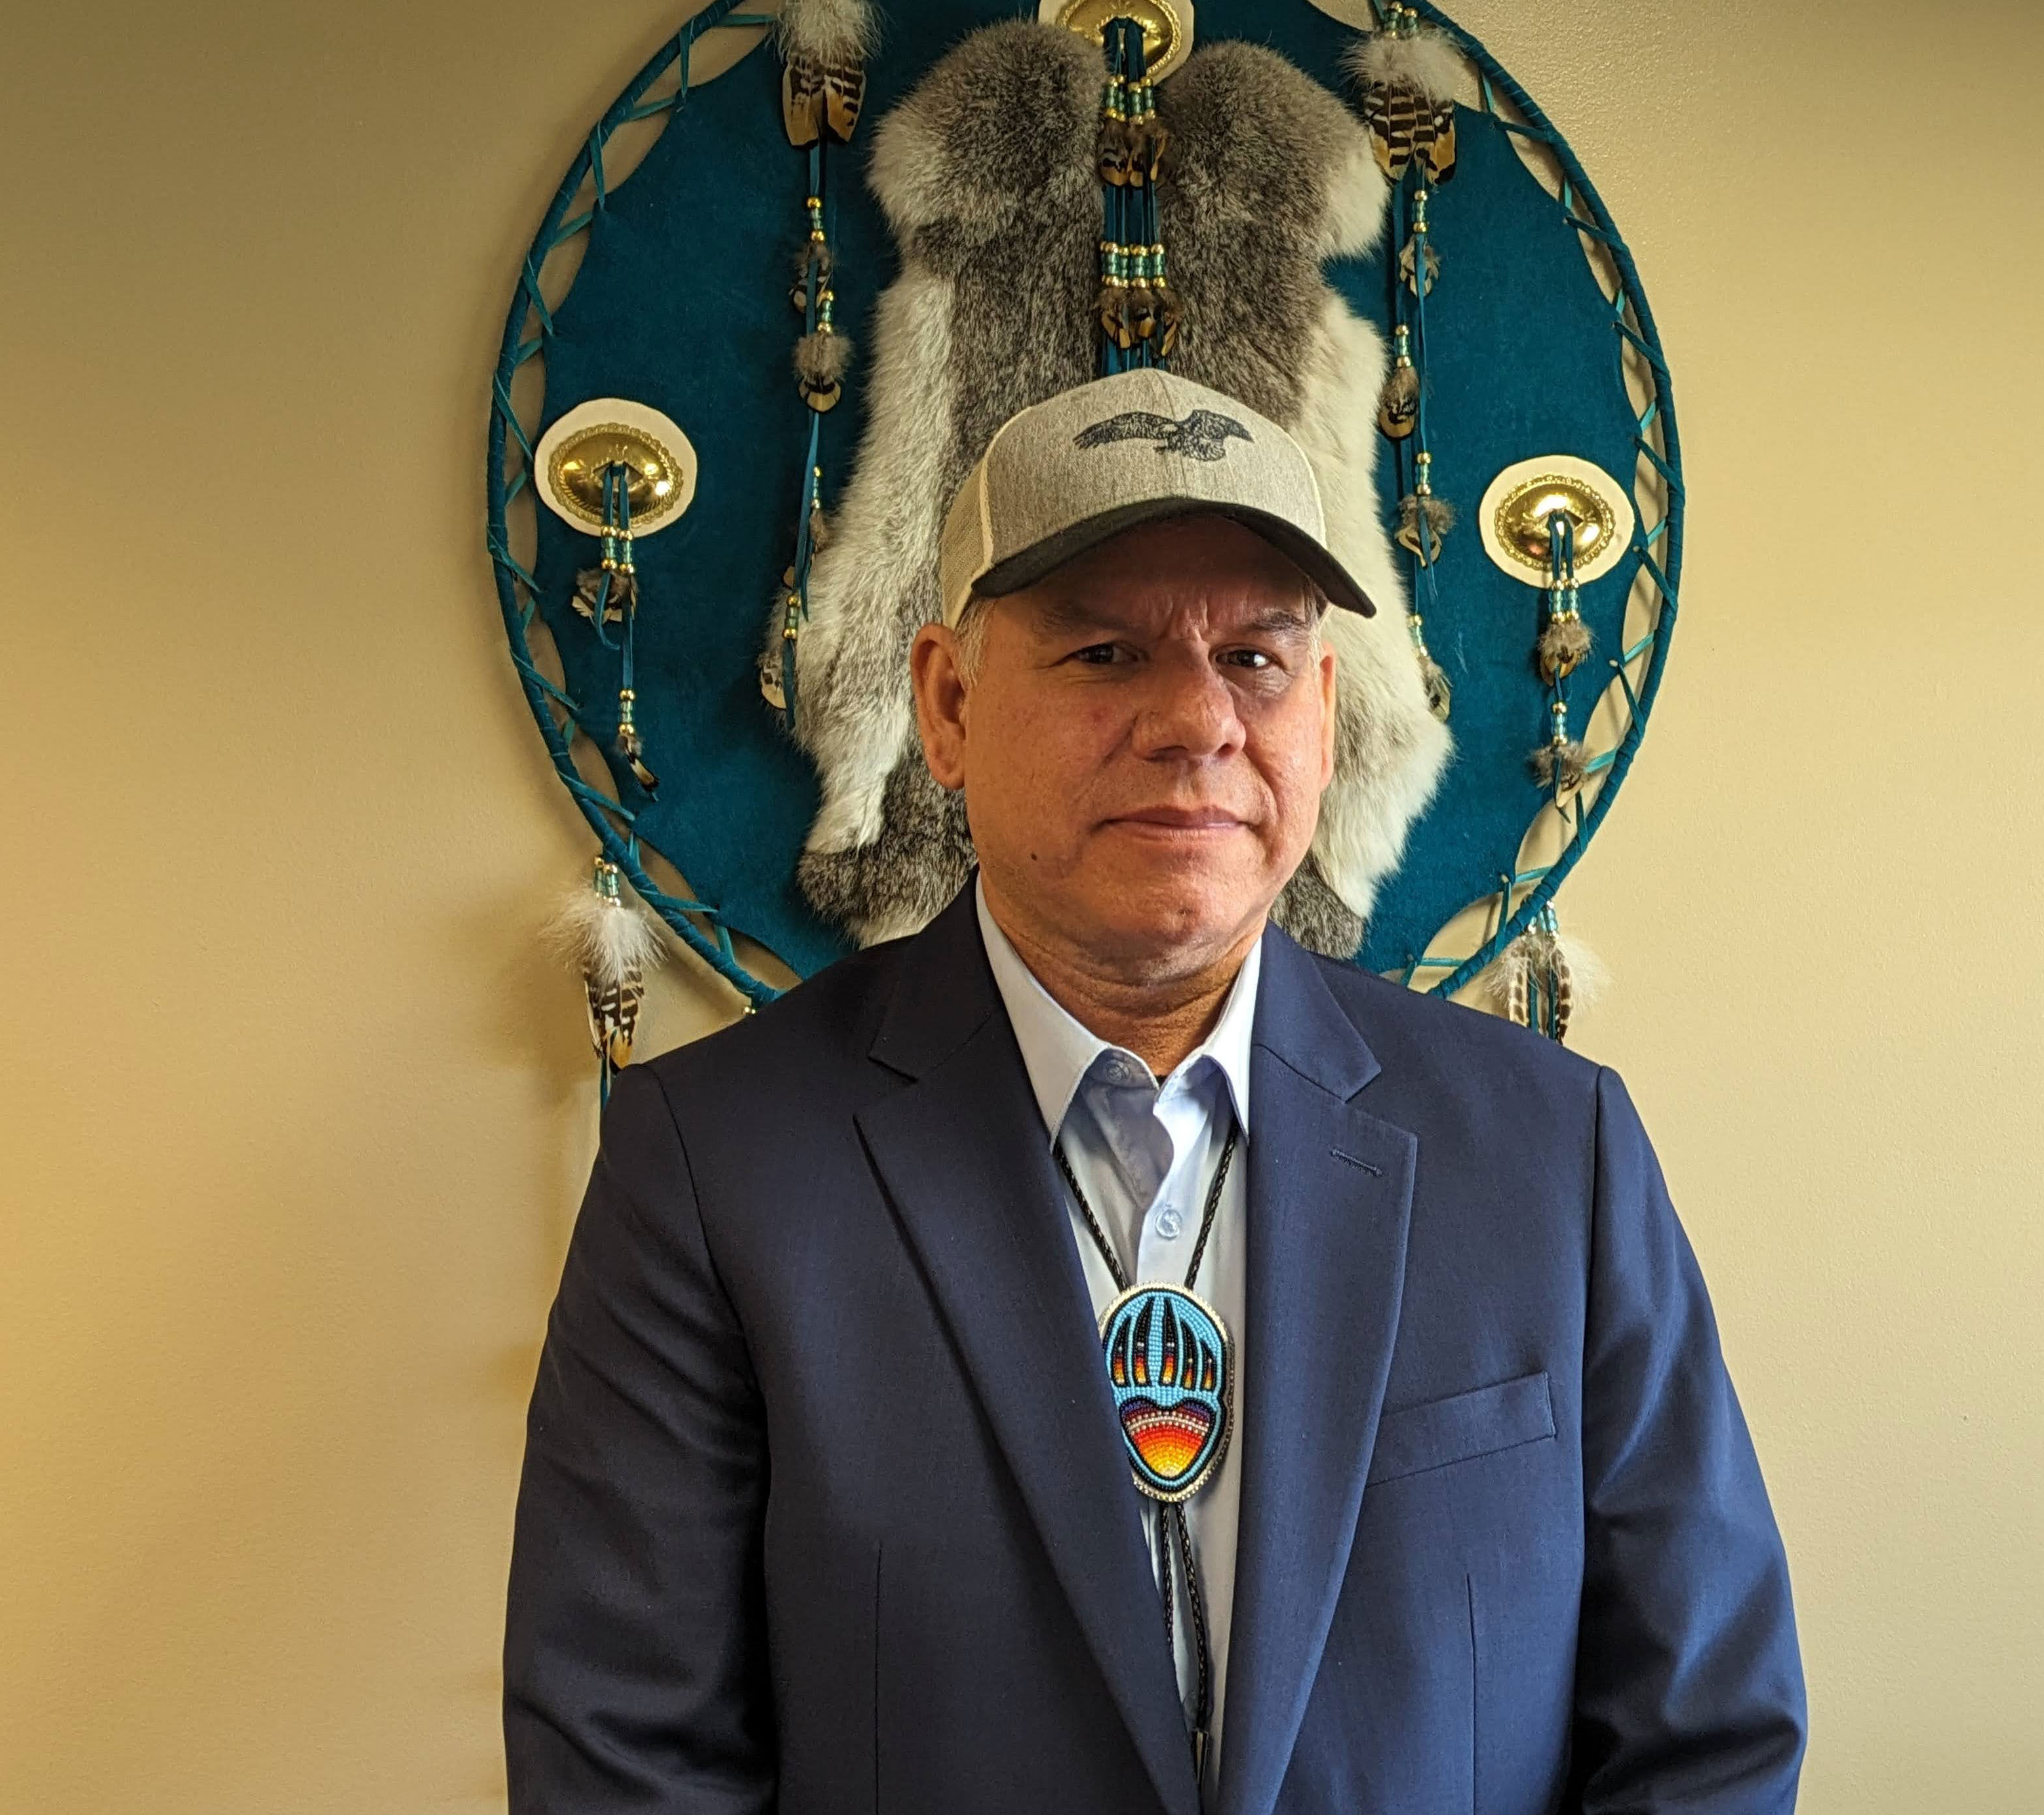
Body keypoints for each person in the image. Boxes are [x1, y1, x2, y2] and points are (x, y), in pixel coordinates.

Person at [504, 369, 1806, 1814]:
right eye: (1106, 653)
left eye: (1254, 657)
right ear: (944, 702)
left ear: (1320, 708)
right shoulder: (712, 1165)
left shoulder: (1552, 1150)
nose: (1196, 721)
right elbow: (623, 1760)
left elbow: (1706, 1729)